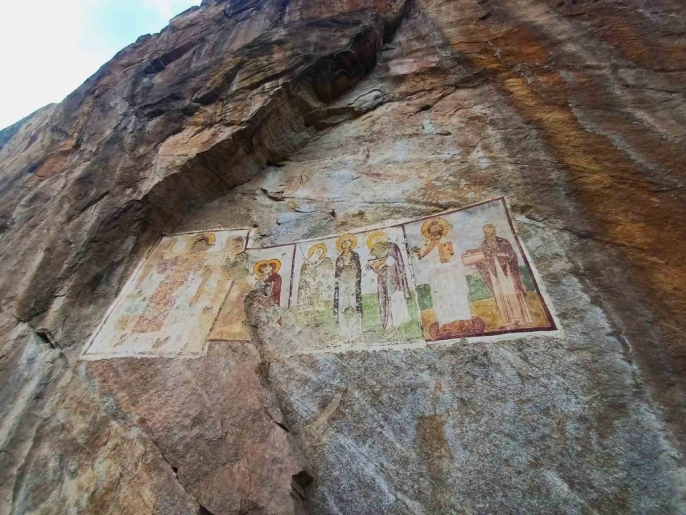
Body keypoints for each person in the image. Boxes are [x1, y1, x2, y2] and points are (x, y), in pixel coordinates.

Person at [133, 233, 215, 334]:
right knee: (155, 300)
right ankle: (142, 325)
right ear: (195, 244)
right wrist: (162, 258)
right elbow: (168, 264)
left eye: (204, 245)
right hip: (168, 280)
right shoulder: (182, 254)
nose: (201, 246)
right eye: (200, 243)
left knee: (166, 302)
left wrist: (205, 272)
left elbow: (196, 272)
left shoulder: (200, 258)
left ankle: (154, 325)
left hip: (179, 282)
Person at [467, 224, 533, 327]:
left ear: (494, 232)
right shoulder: (484, 245)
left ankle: (519, 318)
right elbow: (479, 254)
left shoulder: (503, 242)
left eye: (490, 233)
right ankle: (507, 320)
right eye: (486, 233)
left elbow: (512, 255)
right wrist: (472, 253)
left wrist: (500, 254)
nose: (488, 235)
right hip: (493, 273)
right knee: (499, 295)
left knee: (512, 292)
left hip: (506, 271)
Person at [411, 217, 471, 326]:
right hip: (436, 278)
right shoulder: (426, 245)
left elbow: (453, 259)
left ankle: (461, 320)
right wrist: (416, 255)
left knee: (454, 296)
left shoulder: (447, 243)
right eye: (432, 231)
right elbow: (422, 259)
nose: (434, 233)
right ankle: (446, 323)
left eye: (437, 230)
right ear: (429, 232)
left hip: (450, 276)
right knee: (440, 298)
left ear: (441, 231)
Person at [366, 231, 410, 331]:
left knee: (395, 297)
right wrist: (372, 267)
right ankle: (389, 323)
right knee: (385, 300)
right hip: (383, 279)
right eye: (374, 240)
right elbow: (378, 269)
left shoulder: (392, 246)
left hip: (393, 277)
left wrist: (381, 265)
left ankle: (400, 320)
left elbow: (391, 260)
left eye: (378, 238)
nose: (376, 240)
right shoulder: (378, 252)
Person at [333, 233, 363, 338]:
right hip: (342, 281)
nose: (346, 245)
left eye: (348, 243)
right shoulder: (339, 257)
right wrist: (343, 264)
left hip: (352, 281)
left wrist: (351, 264)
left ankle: (355, 330)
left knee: (353, 302)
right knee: (342, 303)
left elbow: (358, 268)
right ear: (342, 245)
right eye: (344, 244)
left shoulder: (355, 255)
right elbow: (337, 271)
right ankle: (342, 330)